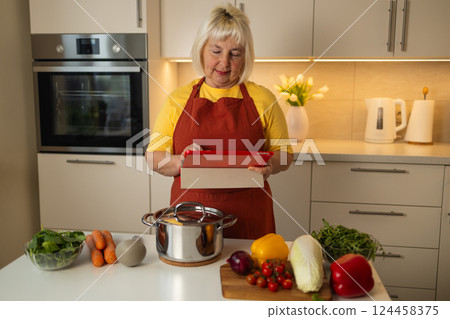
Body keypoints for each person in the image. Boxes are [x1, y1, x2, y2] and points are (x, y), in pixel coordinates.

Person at [146, 4, 293, 239]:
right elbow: (153, 157)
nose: (224, 63)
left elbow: (285, 154)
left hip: (251, 216)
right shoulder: (178, 100)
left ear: (245, 56)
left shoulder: (264, 99)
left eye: (235, 54)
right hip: (191, 218)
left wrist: (271, 166)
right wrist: (179, 162)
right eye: (216, 51)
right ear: (201, 49)